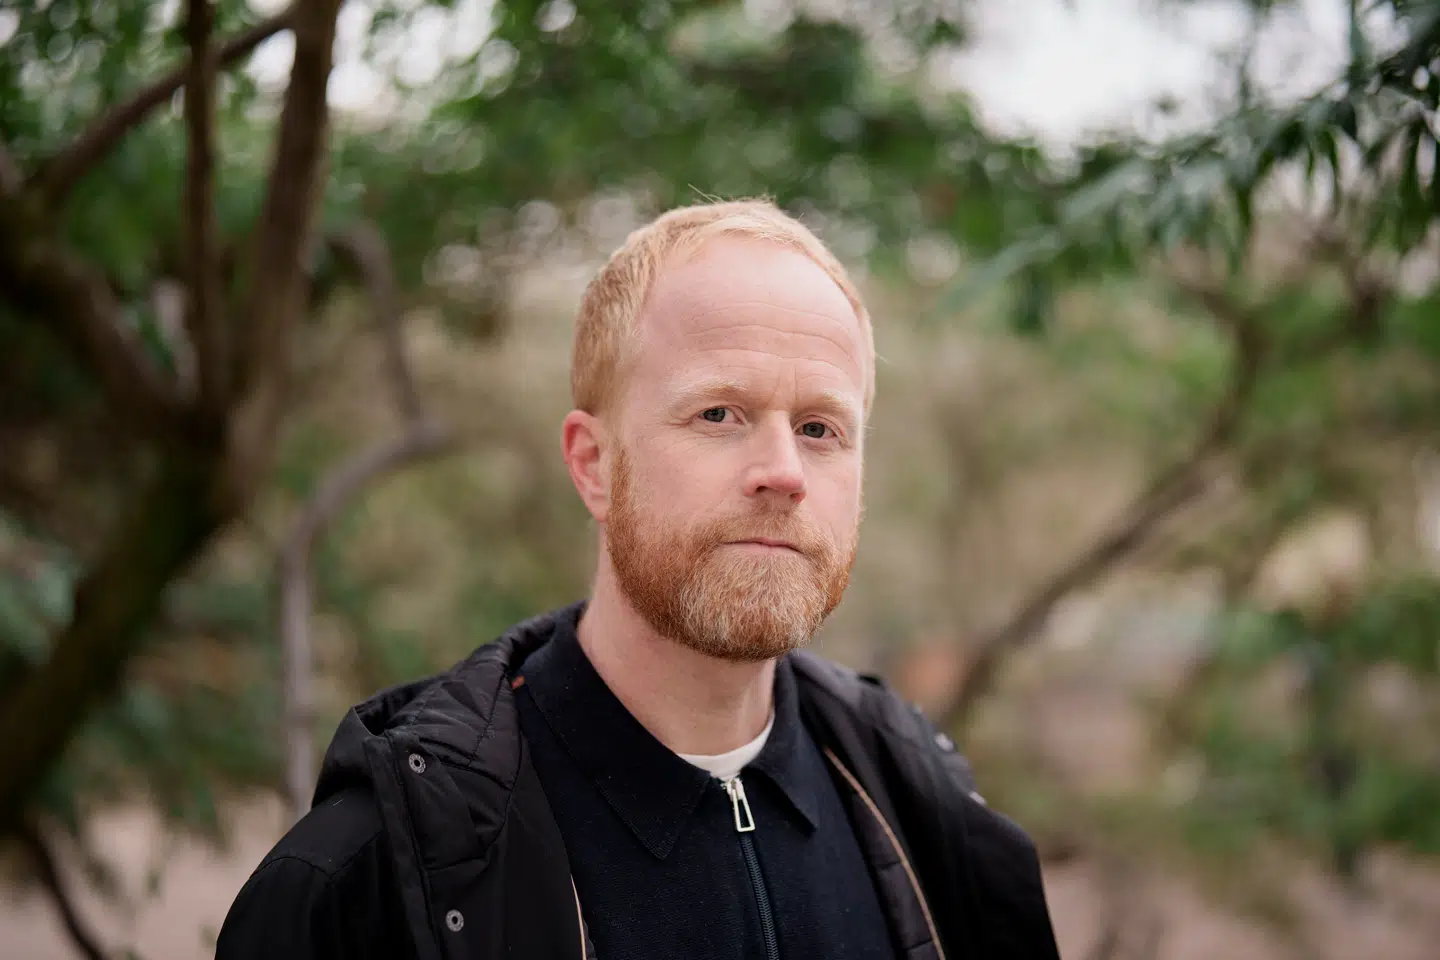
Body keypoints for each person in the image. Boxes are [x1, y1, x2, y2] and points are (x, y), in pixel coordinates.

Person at [216, 200, 1060, 960]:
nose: (783, 472)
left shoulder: (937, 830)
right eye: (718, 414)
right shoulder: (369, 882)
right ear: (593, 464)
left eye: (819, 428)